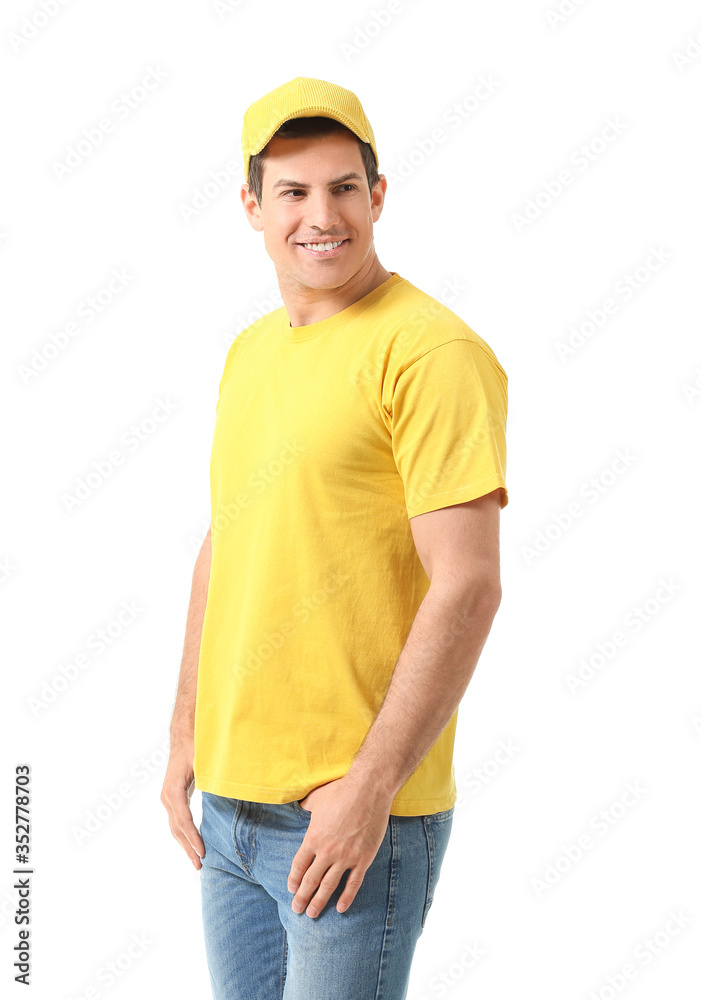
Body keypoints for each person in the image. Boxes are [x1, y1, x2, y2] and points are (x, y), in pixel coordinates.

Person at [161, 76, 509, 1000]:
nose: (321, 216)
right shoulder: (250, 352)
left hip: (347, 819)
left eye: (343, 188)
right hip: (230, 808)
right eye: (293, 191)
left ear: (377, 195)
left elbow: (468, 583)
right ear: (252, 206)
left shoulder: (429, 353)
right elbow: (226, 544)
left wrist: (371, 789)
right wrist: (187, 731)